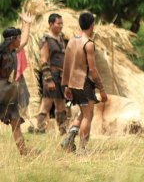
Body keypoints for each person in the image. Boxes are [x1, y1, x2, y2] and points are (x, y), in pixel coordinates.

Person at [61, 11, 108, 153]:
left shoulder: (71, 41)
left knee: (82, 113)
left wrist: (66, 86)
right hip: (84, 84)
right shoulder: (88, 44)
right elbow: (93, 70)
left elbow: (67, 64)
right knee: (88, 115)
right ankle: (82, 148)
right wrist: (102, 89)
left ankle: (68, 139)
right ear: (92, 25)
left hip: (72, 84)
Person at [0, 13, 35, 155]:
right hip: (1, 90)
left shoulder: (13, 51)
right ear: (12, 39)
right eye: (18, 38)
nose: (20, 40)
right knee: (14, 121)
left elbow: (25, 40)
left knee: (15, 121)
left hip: (9, 91)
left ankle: (24, 152)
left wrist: (27, 23)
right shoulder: (1, 54)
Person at [33, 13, 68, 134]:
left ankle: (63, 129)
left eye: (61, 23)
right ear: (51, 24)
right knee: (47, 102)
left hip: (60, 76)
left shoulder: (61, 38)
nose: (61, 26)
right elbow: (43, 59)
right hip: (51, 75)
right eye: (58, 23)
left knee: (61, 103)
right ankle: (40, 128)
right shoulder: (46, 39)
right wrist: (48, 79)